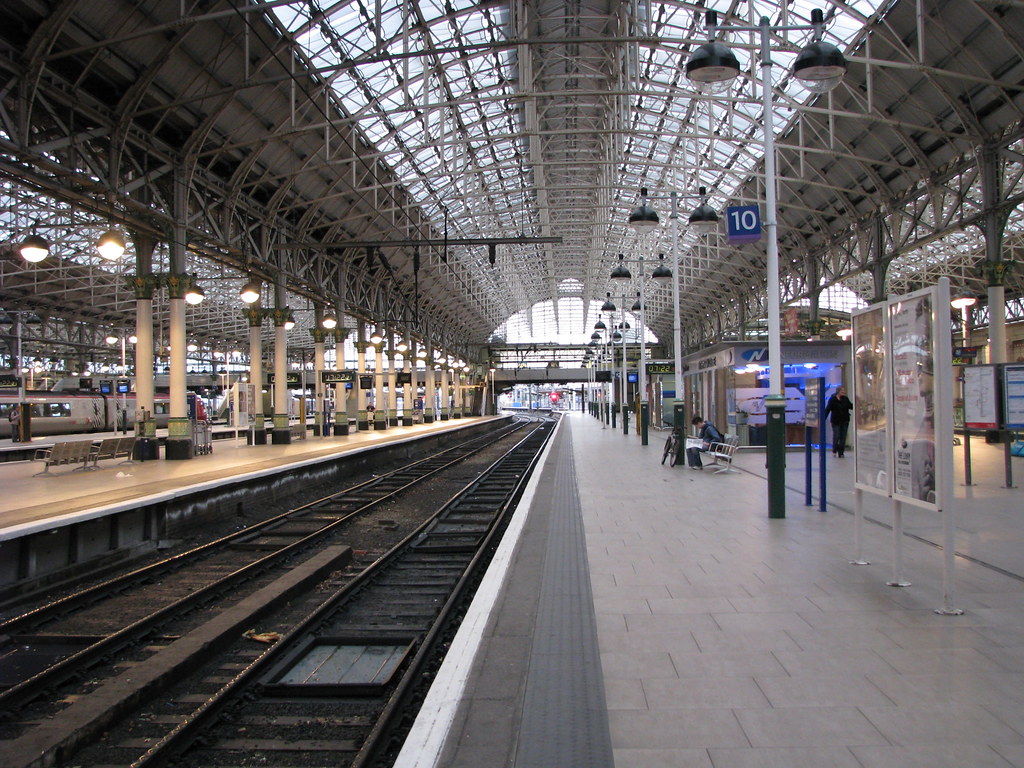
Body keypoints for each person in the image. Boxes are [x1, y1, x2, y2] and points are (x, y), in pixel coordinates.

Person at [823, 386, 854, 458]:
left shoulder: (845, 399)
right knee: (836, 436)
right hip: (836, 421)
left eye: (844, 391)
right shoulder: (832, 399)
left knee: (843, 437)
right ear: (838, 391)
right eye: (842, 391)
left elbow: (851, 406)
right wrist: (823, 418)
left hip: (845, 420)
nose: (844, 392)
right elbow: (828, 409)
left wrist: (857, 404)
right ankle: (834, 450)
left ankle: (841, 452)